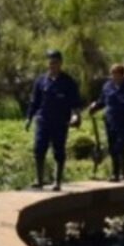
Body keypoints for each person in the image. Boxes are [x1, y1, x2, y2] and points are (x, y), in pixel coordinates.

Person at [25, 49, 83, 191]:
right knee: (39, 149)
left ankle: (57, 182)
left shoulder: (68, 82)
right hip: (43, 120)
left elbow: (75, 104)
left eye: (55, 63)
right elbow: (34, 101)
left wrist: (76, 116)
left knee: (58, 151)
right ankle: (39, 180)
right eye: (50, 63)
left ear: (60, 63)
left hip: (60, 121)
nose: (52, 66)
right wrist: (29, 118)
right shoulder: (40, 81)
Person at [88, 64, 124, 183]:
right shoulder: (107, 87)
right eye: (113, 74)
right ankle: (116, 173)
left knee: (120, 145)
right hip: (110, 121)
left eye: (116, 74)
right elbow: (102, 101)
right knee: (113, 147)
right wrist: (94, 107)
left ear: (122, 75)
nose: (114, 77)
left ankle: (121, 171)